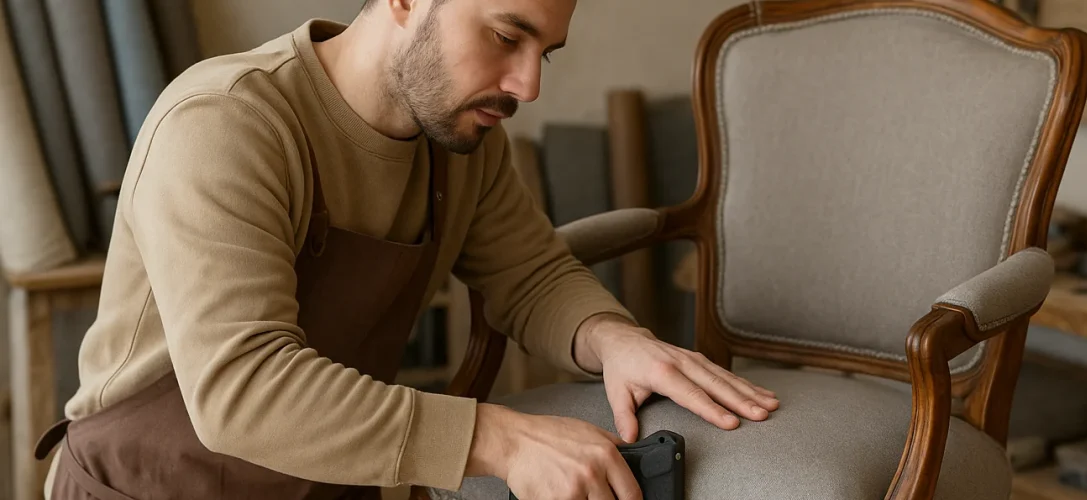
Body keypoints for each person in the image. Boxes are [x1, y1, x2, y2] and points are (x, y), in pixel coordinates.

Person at [36, 0, 780, 499]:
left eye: (544, 53)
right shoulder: (228, 123)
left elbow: (530, 273)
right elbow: (243, 390)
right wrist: (498, 439)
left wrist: (614, 338)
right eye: (504, 34)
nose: (527, 84)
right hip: (143, 487)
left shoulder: (462, 136)